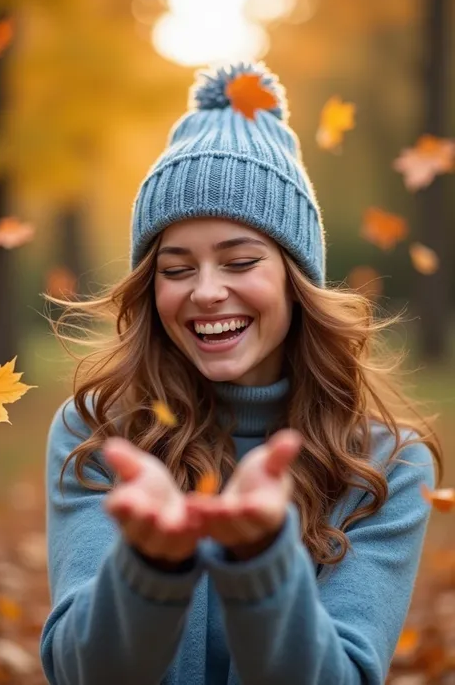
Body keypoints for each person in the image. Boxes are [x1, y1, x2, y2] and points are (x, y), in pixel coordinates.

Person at [40, 62, 443, 685]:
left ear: (295, 276)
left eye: (240, 260)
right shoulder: (99, 436)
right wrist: (148, 566)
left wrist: (261, 563)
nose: (206, 292)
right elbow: (79, 671)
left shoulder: (386, 464)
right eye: (175, 269)